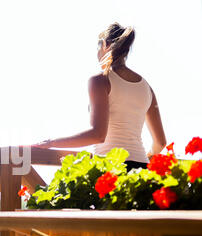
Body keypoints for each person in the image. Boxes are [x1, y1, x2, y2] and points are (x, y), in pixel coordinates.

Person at [32, 22, 167, 171]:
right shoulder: (147, 88)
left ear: (104, 45)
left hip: (112, 168)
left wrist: (51, 143)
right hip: (142, 170)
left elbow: (98, 135)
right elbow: (160, 143)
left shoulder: (100, 80)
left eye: (97, 48)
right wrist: (144, 159)